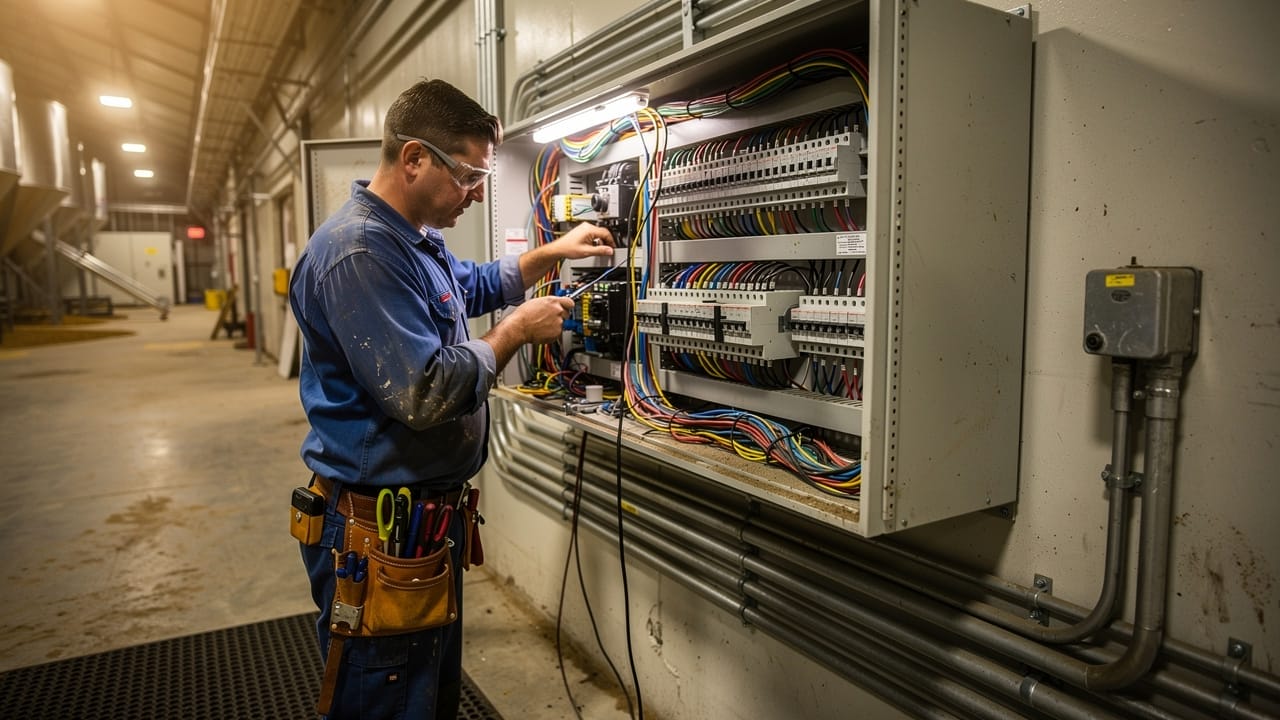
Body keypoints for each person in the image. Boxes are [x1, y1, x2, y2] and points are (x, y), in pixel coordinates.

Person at [288, 78, 614, 719]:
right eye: (468, 175)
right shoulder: (360, 252)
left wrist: (551, 253)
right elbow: (426, 389)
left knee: (422, 696)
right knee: (384, 702)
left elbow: (464, 287)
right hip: (377, 529)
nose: (478, 192)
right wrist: (516, 329)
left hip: (416, 524)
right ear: (414, 159)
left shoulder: (406, 235)